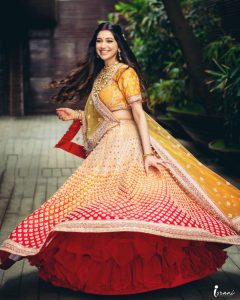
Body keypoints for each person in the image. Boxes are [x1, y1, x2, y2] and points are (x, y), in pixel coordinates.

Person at [0, 22, 240, 295]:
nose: (103, 46)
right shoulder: (102, 74)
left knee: (139, 204)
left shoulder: (125, 72)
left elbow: (137, 114)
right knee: (86, 200)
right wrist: (76, 115)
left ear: (119, 46)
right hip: (110, 146)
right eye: (100, 41)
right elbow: (108, 113)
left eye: (109, 41)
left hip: (129, 144)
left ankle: (152, 270)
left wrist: (148, 154)